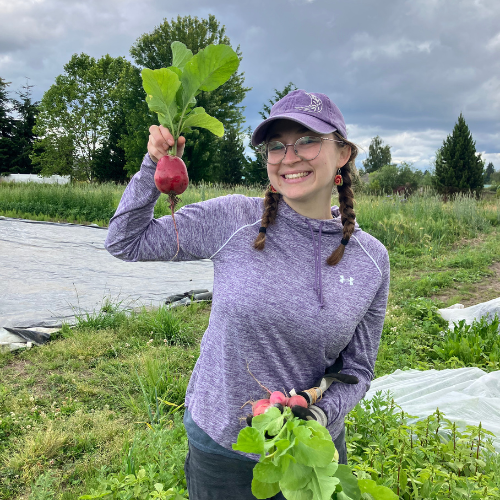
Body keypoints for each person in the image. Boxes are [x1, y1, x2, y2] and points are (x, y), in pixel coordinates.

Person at [104, 89, 390, 500]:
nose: (289, 157)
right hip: (224, 445)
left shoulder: (370, 259)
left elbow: (358, 371)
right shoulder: (234, 219)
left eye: (308, 140)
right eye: (276, 146)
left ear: (342, 153)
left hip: (309, 449)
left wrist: (317, 415)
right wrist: (155, 165)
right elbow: (125, 242)